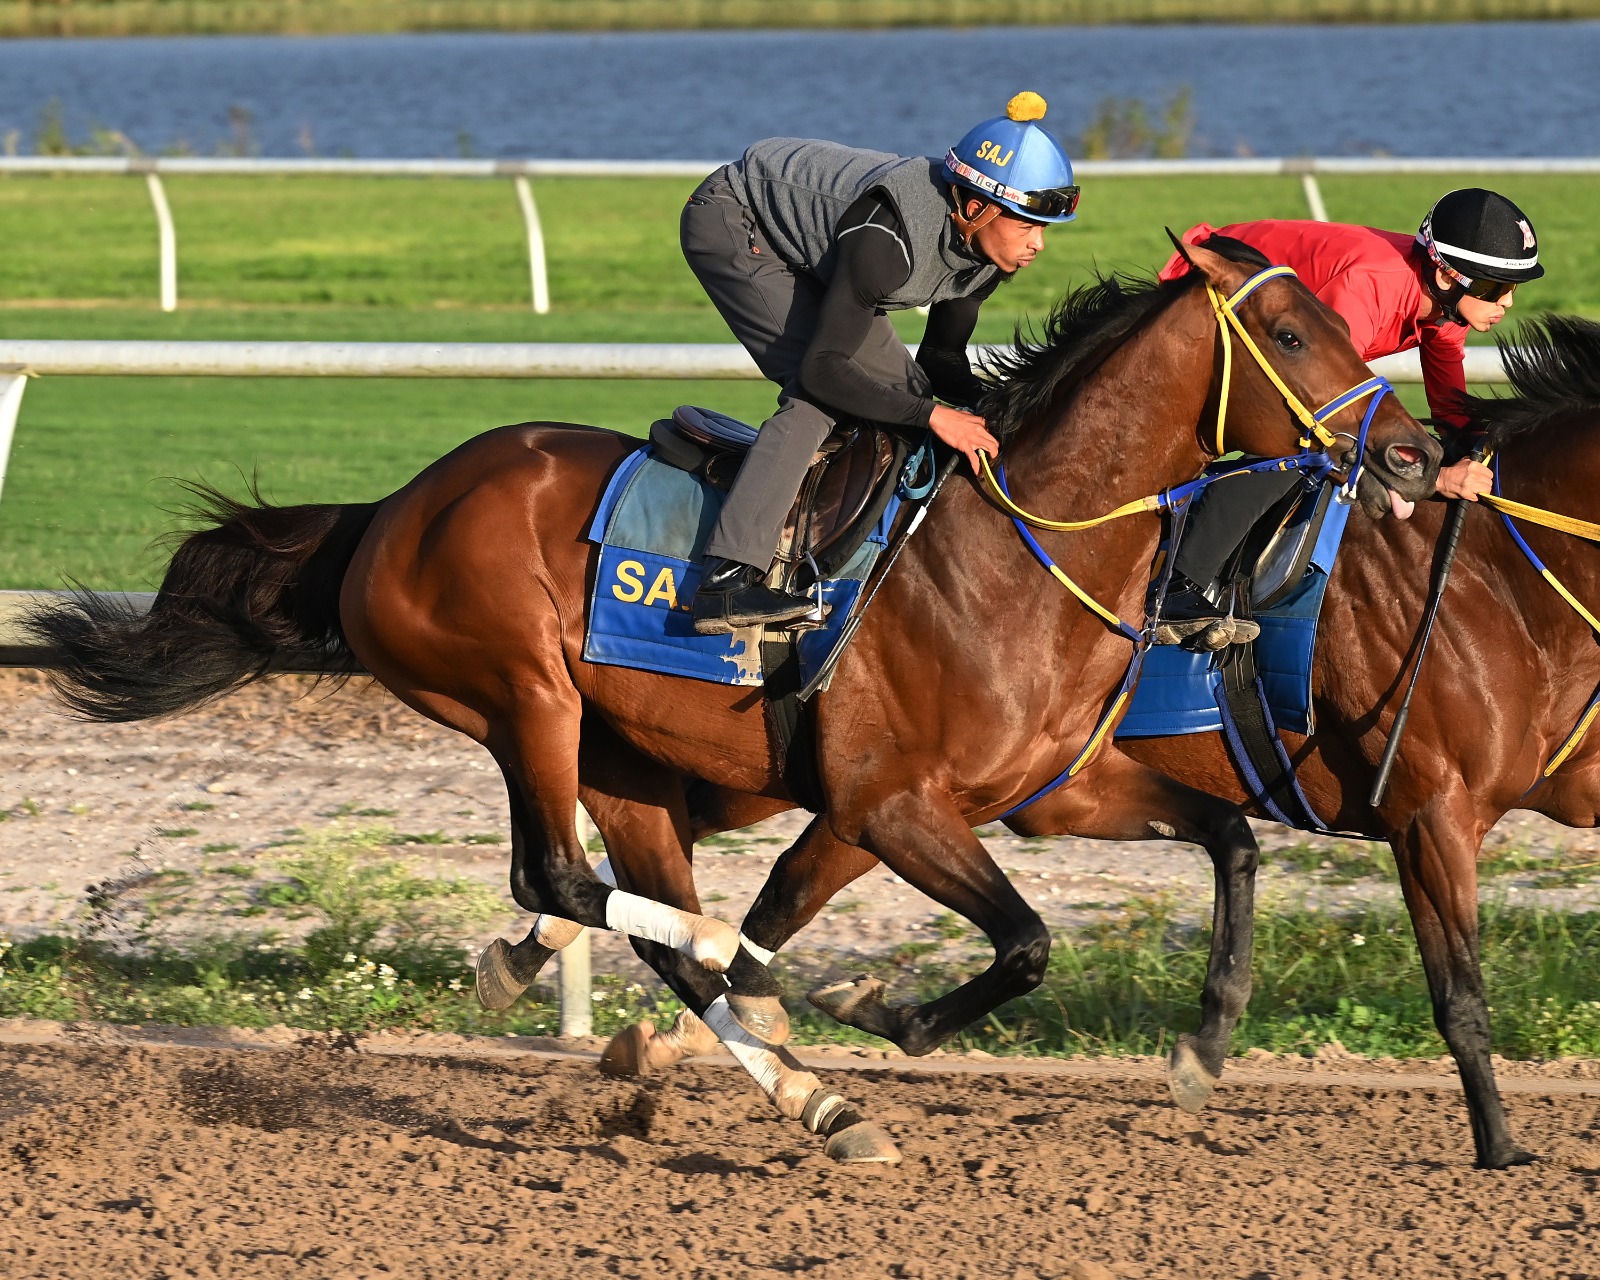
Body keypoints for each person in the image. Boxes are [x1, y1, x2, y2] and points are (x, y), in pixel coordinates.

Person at [682, 92, 1079, 635]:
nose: (1037, 245)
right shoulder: (885, 239)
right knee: (818, 398)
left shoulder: (987, 251)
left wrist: (995, 417)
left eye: (1043, 229)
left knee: (905, 389)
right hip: (736, 219)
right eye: (1026, 225)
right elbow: (824, 369)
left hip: (816, 247)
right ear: (973, 207)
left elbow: (940, 358)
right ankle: (727, 580)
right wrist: (937, 418)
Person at [1153, 187, 1543, 647]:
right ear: (1444, 275)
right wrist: (1432, 481)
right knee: (1300, 449)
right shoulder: (1370, 287)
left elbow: (1453, 411)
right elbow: (1325, 411)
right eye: (1494, 287)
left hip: (1284, 310)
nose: (1508, 303)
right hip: (1209, 287)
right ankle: (1178, 584)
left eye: (1513, 287)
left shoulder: (1445, 308)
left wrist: (1474, 455)